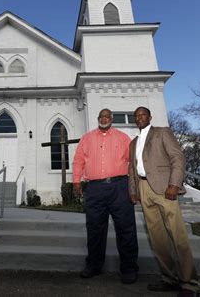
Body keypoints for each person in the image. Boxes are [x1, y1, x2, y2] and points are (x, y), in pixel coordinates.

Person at [128, 106, 200, 297]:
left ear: (150, 117)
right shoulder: (133, 143)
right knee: (157, 239)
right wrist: (134, 190)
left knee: (177, 237)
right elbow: (132, 169)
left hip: (164, 188)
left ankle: (190, 284)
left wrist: (174, 185)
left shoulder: (162, 133)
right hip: (144, 189)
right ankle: (169, 279)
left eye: (143, 114)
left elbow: (177, 158)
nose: (139, 118)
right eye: (136, 116)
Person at [73, 108, 139, 284]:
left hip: (119, 187)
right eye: (101, 116)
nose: (104, 119)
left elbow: (133, 162)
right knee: (95, 229)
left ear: (111, 119)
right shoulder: (87, 138)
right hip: (94, 189)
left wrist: (134, 187)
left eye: (107, 116)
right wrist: (76, 181)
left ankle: (129, 268)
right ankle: (93, 266)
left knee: (126, 228)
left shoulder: (123, 137)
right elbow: (78, 160)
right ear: (98, 119)